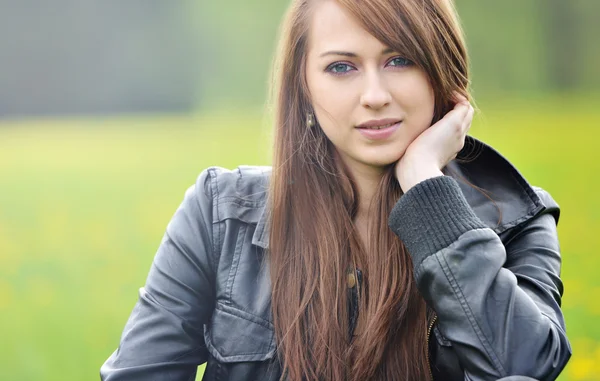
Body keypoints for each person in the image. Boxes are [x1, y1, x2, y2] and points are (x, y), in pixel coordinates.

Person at [100, 0, 572, 380]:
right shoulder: (221, 215)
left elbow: (525, 366)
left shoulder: (514, 219)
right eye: (342, 67)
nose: (374, 95)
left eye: (399, 60)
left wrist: (426, 186)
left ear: (441, 71)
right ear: (303, 87)